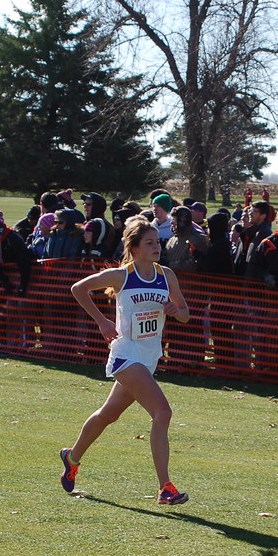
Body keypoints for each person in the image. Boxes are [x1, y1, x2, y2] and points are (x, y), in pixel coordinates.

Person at [62, 216, 191, 505]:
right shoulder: (121, 275)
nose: (156, 247)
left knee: (108, 415)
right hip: (125, 355)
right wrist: (101, 321)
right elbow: (78, 289)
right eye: (149, 243)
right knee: (163, 413)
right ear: (134, 249)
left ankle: (71, 458)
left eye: (157, 242)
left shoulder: (166, 275)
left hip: (148, 358)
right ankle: (165, 488)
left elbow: (185, 313)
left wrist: (174, 309)